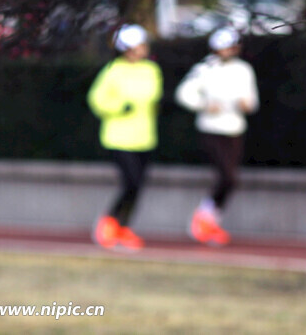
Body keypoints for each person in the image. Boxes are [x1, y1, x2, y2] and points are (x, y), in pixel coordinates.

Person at [175, 27, 259, 246]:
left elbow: (252, 101)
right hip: (211, 129)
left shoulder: (244, 69)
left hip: (235, 128)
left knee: (230, 179)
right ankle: (203, 218)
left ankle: (209, 219)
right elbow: (184, 93)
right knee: (227, 176)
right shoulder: (205, 68)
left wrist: (246, 104)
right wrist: (203, 105)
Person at [87, 23, 163, 251]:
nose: (143, 48)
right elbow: (97, 99)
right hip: (118, 137)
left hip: (144, 137)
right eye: (139, 45)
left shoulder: (151, 70)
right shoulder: (113, 70)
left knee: (138, 186)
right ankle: (109, 222)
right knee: (130, 182)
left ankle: (124, 227)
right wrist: (119, 106)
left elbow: (153, 95)